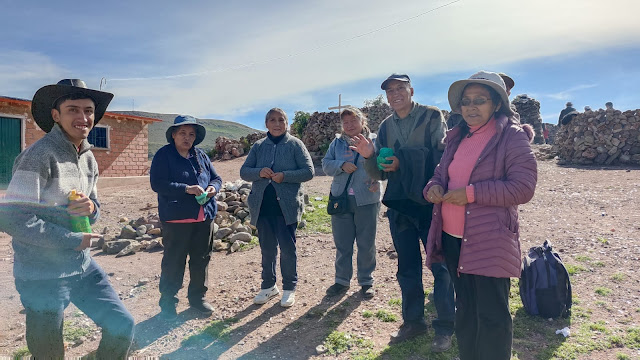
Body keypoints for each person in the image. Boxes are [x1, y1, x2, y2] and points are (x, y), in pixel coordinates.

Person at [0, 79, 134, 359]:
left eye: (88, 110)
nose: (82, 118)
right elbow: (12, 217)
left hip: (81, 265)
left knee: (122, 324)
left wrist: (91, 209)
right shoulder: (38, 156)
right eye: (72, 109)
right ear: (55, 115)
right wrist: (71, 239)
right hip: (41, 274)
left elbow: (93, 206)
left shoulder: (88, 158)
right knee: (49, 353)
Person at [424, 71, 537, 360]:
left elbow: (523, 188)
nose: (471, 107)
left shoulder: (511, 136)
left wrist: (471, 193)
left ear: (497, 103)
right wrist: (434, 188)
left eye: (480, 101)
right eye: (466, 102)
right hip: (453, 238)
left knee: (492, 317)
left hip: (489, 239)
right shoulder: (457, 137)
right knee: (467, 311)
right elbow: (441, 174)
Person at [349, 74, 454, 351]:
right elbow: (382, 172)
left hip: (430, 205)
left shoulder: (432, 117)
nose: (394, 94)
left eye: (400, 88)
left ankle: (445, 327)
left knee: (440, 267)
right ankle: (414, 321)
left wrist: (402, 162)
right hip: (400, 208)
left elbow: (442, 158)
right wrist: (370, 156)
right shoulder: (385, 127)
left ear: (411, 90)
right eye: (389, 91)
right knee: (407, 268)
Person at [150, 115, 222, 320]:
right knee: (174, 261)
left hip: (204, 218)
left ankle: (197, 298)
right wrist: (186, 189)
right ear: (173, 134)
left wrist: (212, 188)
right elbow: (158, 184)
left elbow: (216, 178)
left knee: (201, 259)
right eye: (182, 133)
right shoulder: (163, 155)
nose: (187, 137)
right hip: (176, 219)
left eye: (191, 134)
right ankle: (168, 303)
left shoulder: (201, 155)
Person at [240, 108, 314, 308]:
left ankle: (289, 288)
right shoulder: (258, 146)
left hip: (286, 208)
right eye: (272, 120)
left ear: (286, 123)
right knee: (267, 250)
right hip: (263, 207)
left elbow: (309, 171)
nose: (277, 123)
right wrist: (259, 172)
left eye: (281, 120)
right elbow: (244, 172)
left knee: (288, 249)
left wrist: (285, 176)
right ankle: (268, 286)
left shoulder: (295, 145)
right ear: (266, 124)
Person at [321, 107, 381, 299]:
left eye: (353, 121)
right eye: (345, 122)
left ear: (362, 121)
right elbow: (325, 164)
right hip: (341, 198)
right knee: (343, 244)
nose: (349, 125)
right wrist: (341, 165)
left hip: (367, 199)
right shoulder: (337, 143)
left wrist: (377, 180)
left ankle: (366, 281)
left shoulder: (374, 140)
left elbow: (383, 163)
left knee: (366, 243)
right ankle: (341, 281)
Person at [450, 72, 516, 129]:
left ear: (498, 104)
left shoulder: (513, 135)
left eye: (479, 100)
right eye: (465, 102)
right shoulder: (453, 137)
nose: (470, 107)